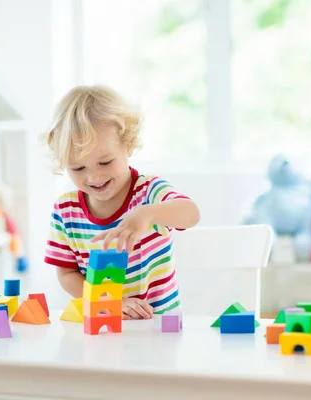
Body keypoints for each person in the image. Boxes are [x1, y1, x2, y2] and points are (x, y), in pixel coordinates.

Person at [42, 85, 200, 319]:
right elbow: (66, 274)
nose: (94, 177)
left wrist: (147, 214)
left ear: (128, 144)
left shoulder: (149, 192)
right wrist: (109, 301)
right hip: (104, 326)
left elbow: (191, 213)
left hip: (158, 328)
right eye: (78, 168)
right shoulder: (66, 209)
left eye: (105, 162)